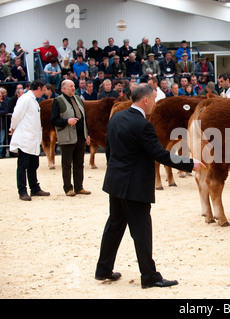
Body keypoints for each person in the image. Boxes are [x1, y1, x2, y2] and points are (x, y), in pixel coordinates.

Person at [95, 83, 204, 288]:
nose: (154, 103)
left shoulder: (117, 117)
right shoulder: (143, 125)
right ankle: (149, 276)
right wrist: (190, 163)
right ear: (145, 100)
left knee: (114, 226)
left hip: (115, 182)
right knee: (141, 232)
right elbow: (160, 155)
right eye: (154, 99)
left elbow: (110, 151)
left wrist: (117, 172)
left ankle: (103, 269)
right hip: (134, 187)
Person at [9, 80, 50, 200]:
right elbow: (16, 115)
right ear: (38, 88)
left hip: (33, 138)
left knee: (33, 165)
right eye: (43, 90)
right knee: (23, 165)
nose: (43, 92)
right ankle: (22, 191)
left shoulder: (34, 101)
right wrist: (12, 127)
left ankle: (35, 188)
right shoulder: (25, 98)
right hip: (25, 138)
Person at [51, 79, 91, 196]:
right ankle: (68, 188)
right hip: (67, 137)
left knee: (79, 164)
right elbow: (54, 120)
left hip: (80, 136)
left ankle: (79, 187)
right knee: (67, 164)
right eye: (71, 86)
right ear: (64, 88)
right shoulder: (57, 101)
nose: (73, 88)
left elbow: (84, 119)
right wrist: (67, 121)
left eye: (74, 86)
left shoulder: (78, 99)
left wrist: (87, 134)